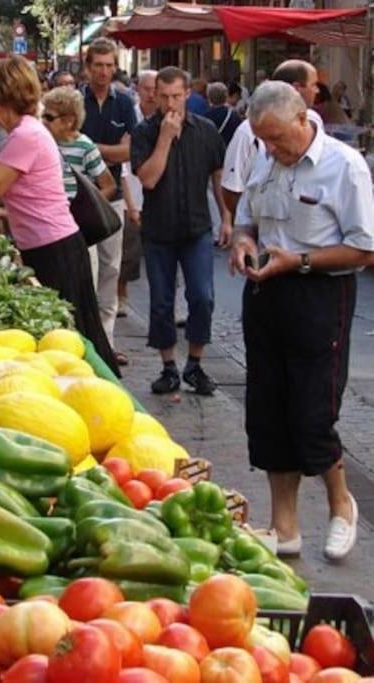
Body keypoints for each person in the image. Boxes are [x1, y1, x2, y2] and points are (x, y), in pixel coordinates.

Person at [229, 81, 374, 561]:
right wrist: (243, 241)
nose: (270, 149)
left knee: (313, 413)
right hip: (266, 291)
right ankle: (283, 526)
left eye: (276, 139)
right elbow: (247, 218)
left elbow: (364, 248)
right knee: (268, 412)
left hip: (318, 293)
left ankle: (341, 505)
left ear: (302, 118)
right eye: (263, 141)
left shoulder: (343, 166)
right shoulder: (265, 157)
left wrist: (302, 261)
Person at [0, 56, 119, 376]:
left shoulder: (26, 136)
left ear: (6, 91)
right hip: (49, 245)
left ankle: (108, 404)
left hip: (55, 248)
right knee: (73, 339)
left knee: (74, 343)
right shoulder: (26, 132)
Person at [131, 66, 231, 396]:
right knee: (161, 301)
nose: (170, 103)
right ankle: (168, 367)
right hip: (159, 229)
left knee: (202, 296)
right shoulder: (146, 132)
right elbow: (148, 178)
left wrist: (227, 215)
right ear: (155, 95)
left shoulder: (205, 130)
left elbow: (217, 175)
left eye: (177, 96)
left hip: (196, 227)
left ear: (188, 94)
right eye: (164, 96)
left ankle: (195, 365)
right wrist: (164, 139)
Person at [79, 38, 138, 365]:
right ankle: (87, 341)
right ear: (88, 67)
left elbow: (130, 151)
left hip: (111, 196)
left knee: (111, 271)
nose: (103, 71)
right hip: (78, 200)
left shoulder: (125, 103)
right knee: (85, 270)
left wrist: (88, 147)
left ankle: (107, 343)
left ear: (115, 67)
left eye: (109, 65)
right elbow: (64, 144)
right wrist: (109, 149)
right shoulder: (76, 101)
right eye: (98, 65)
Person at [222, 60, 322, 216]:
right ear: (296, 88)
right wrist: (250, 225)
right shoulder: (247, 132)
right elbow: (231, 188)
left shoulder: (314, 122)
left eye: (277, 137)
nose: (317, 91)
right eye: (313, 84)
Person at [118, 69, 157, 317]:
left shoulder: (168, 120)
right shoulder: (129, 118)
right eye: (147, 89)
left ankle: (165, 304)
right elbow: (122, 161)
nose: (151, 95)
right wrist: (130, 203)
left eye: (156, 90)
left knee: (162, 254)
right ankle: (121, 295)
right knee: (128, 252)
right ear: (138, 89)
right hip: (132, 191)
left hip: (158, 194)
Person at [41, 86, 116, 201]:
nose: (44, 121)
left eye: (49, 117)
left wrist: (88, 209)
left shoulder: (85, 148)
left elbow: (109, 186)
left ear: (69, 121)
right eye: (42, 116)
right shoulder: (44, 142)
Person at [205, 81, 241, 146]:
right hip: (229, 149)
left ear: (209, 97)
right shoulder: (234, 115)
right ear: (226, 96)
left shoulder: (205, 117)